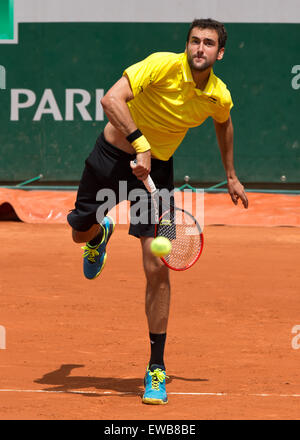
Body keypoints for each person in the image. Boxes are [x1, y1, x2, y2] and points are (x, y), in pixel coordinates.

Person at [67, 18, 249, 405]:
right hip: (112, 157)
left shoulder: (218, 95)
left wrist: (231, 175)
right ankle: (98, 235)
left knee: (156, 266)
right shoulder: (163, 65)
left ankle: (155, 367)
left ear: (220, 52)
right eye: (195, 41)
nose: (200, 48)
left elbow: (225, 122)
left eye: (209, 43)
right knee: (78, 232)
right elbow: (111, 99)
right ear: (187, 46)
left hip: (156, 173)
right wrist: (141, 143)